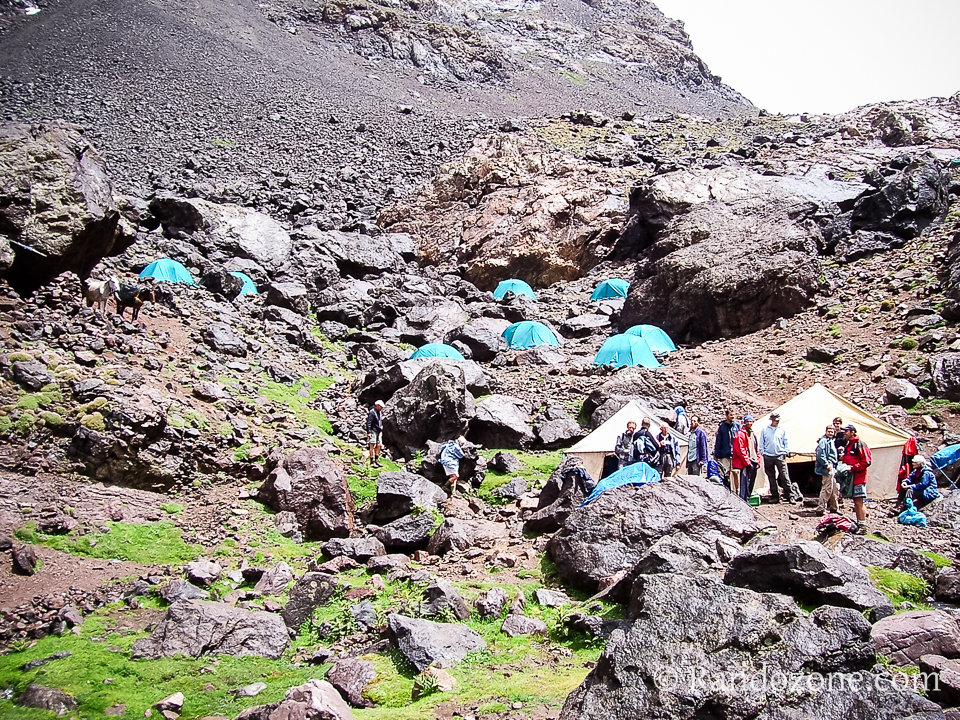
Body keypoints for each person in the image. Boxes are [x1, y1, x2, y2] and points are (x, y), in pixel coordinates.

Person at [840, 424, 872, 532]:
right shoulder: (848, 445)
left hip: (858, 477)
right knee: (855, 500)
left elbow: (866, 461)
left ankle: (863, 526)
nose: (844, 433)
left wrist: (853, 468)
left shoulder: (860, 444)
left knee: (859, 501)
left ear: (853, 432)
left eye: (847, 431)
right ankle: (859, 523)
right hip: (850, 478)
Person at [761, 412, 795, 503]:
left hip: (780, 455)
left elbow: (785, 441)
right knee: (771, 477)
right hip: (768, 456)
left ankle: (790, 495)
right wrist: (763, 452)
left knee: (784, 476)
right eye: (775, 420)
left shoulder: (782, 430)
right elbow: (762, 443)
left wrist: (786, 451)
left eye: (778, 420)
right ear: (771, 420)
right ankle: (775, 496)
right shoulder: (765, 430)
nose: (777, 422)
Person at [732, 414, 760, 501]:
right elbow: (740, 450)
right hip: (745, 463)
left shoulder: (752, 434)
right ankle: (743, 500)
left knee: (751, 483)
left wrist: (758, 460)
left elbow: (756, 448)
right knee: (745, 484)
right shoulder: (740, 434)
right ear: (744, 423)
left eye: (750, 421)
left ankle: (747, 499)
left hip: (753, 460)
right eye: (747, 421)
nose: (749, 423)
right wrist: (747, 463)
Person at [815, 424, 839, 515]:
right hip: (828, 467)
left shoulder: (832, 441)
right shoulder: (823, 441)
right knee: (827, 488)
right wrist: (826, 464)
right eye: (829, 431)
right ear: (826, 431)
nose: (830, 433)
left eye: (832, 431)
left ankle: (834, 508)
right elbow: (820, 454)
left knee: (835, 488)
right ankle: (821, 508)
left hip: (833, 466)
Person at [713, 409, 741, 482]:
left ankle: (737, 491)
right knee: (725, 473)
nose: (733, 417)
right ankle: (726, 490)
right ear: (726, 416)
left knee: (736, 473)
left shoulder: (737, 426)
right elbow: (718, 441)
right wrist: (717, 453)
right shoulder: (722, 427)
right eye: (731, 415)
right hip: (725, 454)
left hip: (735, 455)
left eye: (734, 415)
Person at [365, 400, 385, 466]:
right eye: (381, 407)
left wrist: (381, 430)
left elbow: (380, 422)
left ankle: (376, 460)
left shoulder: (380, 412)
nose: (381, 408)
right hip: (373, 430)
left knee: (379, 445)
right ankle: (372, 461)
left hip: (378, 431)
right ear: (377, 406)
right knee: (372, 445)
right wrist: (369, 432)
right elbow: (369, 423)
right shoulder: (372, 412)